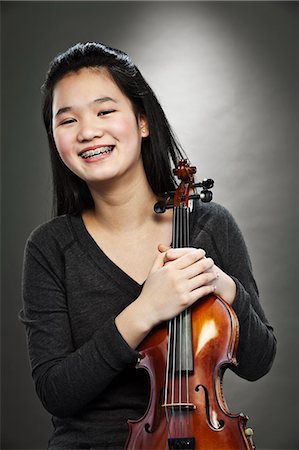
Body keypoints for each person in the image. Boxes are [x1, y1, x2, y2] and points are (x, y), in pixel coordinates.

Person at [20, 42, 276, 450]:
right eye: (67, 120)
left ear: (142, 121)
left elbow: (259, 363)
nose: (88, 132)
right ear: (54, 138)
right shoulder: (50, 248)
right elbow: (56, 392)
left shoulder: (209, 224)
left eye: (105, 111)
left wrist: (222, 285)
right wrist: (144, 310)